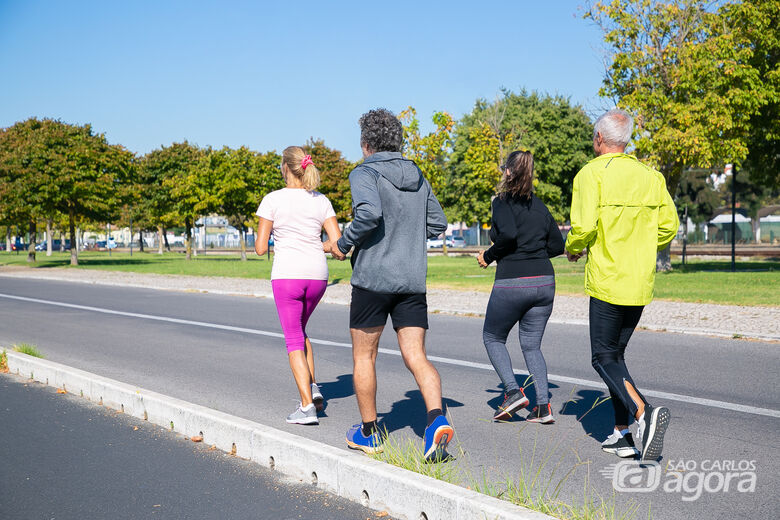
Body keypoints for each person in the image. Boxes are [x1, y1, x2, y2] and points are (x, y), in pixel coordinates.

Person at [324, 108, 452, 461]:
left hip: (373, 280)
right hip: (411, 280)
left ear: (366, 143)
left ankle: (369, 433)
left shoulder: (364, 172)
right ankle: (436, 420)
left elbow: (368, 215)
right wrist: (406, 236)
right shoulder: (417, 173)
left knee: (364, 356)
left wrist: (343, 243)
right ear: (397, 141)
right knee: (416, 356)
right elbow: (438, 223)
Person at [565, 109, 678, 461]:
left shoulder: (590, 174)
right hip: (639, 281)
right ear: (626, 140)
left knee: (602, 357)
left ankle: (644, 413)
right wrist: (639, 245)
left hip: (608, 279)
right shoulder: (652, 177)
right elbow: (668, 227)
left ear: (600, 139)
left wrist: (573, 248)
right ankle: (621, 433)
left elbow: (583, 227)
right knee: (616, 356)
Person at [255, 146, 341, 426]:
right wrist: (316, 244)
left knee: (293, 339)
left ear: (285, 168)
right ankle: (313, 388)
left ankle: (306, 408)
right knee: (300, 331)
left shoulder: (272, 200)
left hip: (288, 276)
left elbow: (260, 248)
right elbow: (338, 244)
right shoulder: (321, 200)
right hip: (318, 277)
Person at [477, 150, 564, 424]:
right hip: (544, 283)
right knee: (531, 346)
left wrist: (488, 256)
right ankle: (543, 407)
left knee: (492, 337)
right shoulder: (540, 206)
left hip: (512, 282)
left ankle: (513, 392)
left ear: (508, 172)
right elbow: (557, 245)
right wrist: (534, 257)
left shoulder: (501, 202)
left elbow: (509, 235)